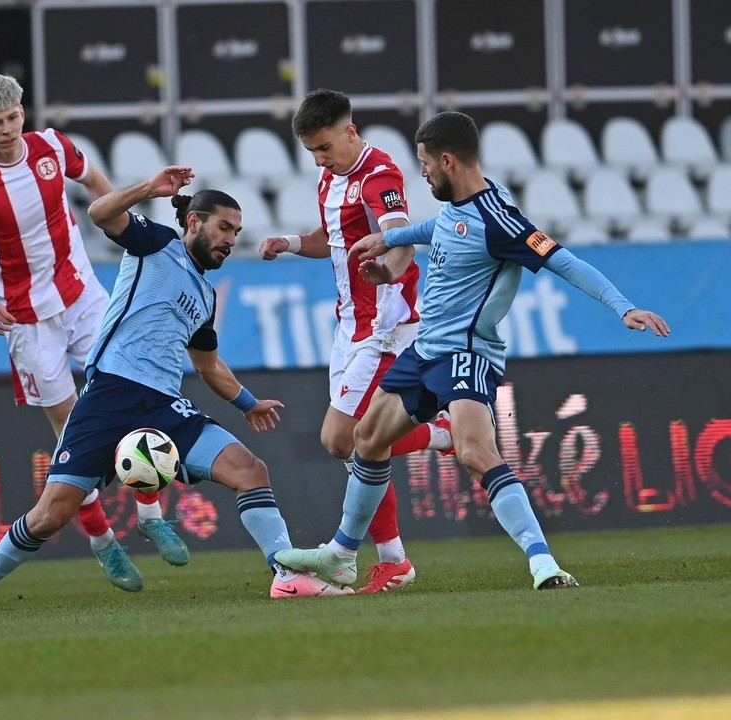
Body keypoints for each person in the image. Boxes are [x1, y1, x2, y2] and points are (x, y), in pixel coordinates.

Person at [0, 165, 352, 615]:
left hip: (163, 404)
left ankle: (287, 577)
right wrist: (147, 189)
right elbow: (102, 214)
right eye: (223, 227)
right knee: (51, 514)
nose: (230, 238)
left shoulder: (206, 295)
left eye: (236, 231)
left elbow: (208, 365)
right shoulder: (157, 243)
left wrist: (248, 402)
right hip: (108, 397)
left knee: (250, 469)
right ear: (195, 221)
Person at [276, 111, 670, 590]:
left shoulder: (501, 220)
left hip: (466, 352)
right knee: (366, 439)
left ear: (447, 161)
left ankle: (543, 562)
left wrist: (622, 307)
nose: (421, 172)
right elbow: (441, 229)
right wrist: (389, 238)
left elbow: (564, 261)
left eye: (425, 163)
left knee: (475, 452)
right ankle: (341, 555)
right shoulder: (460, 205)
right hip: (424, 350)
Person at [0, 74, 188, 593]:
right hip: (25, 319)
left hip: (84, 298)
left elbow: (95, 186)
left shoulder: (51, 146)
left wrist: (131, 233)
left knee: (133, 394)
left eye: (13, 117)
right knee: (71, 433)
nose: (6, 130)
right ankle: (102, 542)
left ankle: (151, 512)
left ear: (24, 112)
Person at [259, 89, 452, 593]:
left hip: (385, 329)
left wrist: (387, 274)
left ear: (350, 130)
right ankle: (394, 561)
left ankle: (441, 434)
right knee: (361, 451)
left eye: (324, 147)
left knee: (340, 438)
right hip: (348, 327)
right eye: (311, 151)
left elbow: (400, 238)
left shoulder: (380, 176)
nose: (318, 158)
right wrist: (290, 243)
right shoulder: (330, 176)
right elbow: (331, 240)